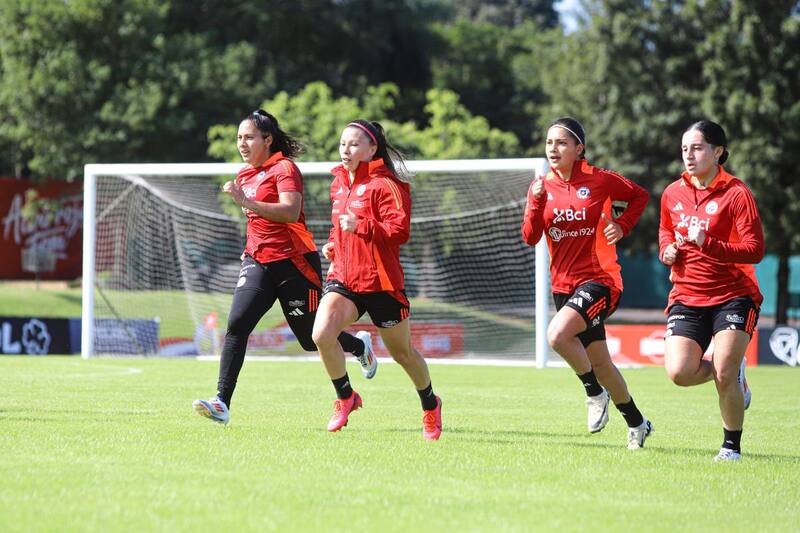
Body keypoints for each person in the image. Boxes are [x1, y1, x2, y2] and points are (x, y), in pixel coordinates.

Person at [192, 110, 376, 425]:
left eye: (249, 137)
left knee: (309, 338)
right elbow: (256, 223)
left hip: (295, 263)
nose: (242, 143)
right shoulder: (245, 175)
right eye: (239, 137)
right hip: (259, 262)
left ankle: (359, 345)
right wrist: (248, 249)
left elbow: (290, 212)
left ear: (268, 139)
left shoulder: (285, 169)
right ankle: (221, 402)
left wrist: (246, 202)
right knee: (237, 323)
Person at [521, 117, 653, 449]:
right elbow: (529, 236)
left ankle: (594, 393)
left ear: (579, 148)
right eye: (550, 142)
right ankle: (638, 423)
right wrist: (535, 201)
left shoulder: (601, 180)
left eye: (562, 143)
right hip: (563, 287)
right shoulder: (541, 187)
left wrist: (622, 226)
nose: (554, 149)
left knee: (556, 335)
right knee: (602, 365)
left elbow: (640, 196)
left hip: (601, 281)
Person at [311, 119, 442, 440]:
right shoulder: (339, 182)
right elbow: (340, 224)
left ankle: (430, 404)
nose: (346, 149)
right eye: (343, 143)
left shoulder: (388, 185)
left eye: (354, 144)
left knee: (402, 355)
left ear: (372, 149)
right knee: (321, 333)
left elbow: (400, 231)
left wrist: (362, 226)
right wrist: (333, 243)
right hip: (345, 278)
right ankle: (345, 398)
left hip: (382, 283)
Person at [659, 120, 764, 462]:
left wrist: (711, 244)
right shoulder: (672, 193)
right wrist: (667, 251)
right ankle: (734, 369)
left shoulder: (737, 193)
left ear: (718, 152)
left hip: (734, 294)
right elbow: (665, 233)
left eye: (698, 147)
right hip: (687, 296)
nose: (689, 155)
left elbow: (755, 249)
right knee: (679, 373)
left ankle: (731, 447)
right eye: (685, 149)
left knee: (722, 372)